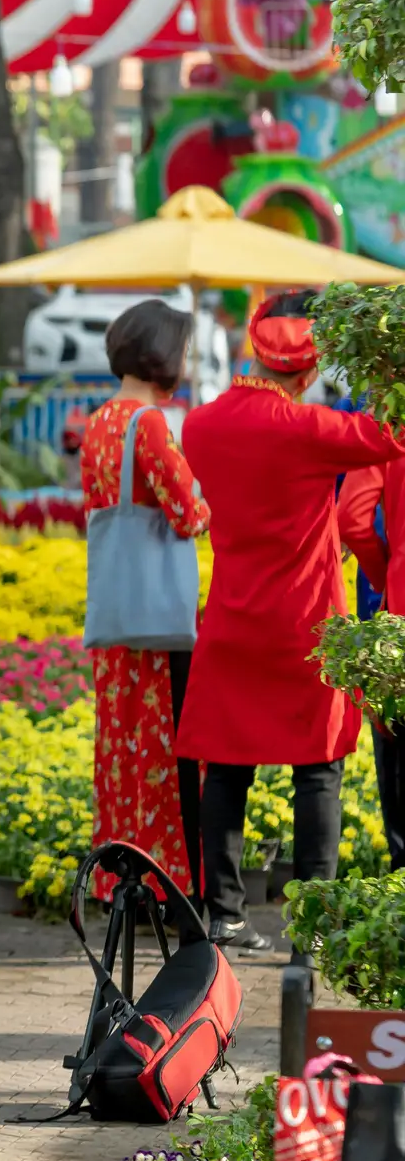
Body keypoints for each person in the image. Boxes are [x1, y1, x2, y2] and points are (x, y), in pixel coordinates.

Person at [178, 291, 405, 951]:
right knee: (318, 769)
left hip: (234, 617)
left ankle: (222, 912)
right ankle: (314, 923)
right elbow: (390, 435)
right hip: (308, 623)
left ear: (252, 347)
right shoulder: (308, 429)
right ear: (308, 371)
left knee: (225, 767)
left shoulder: (201, 425)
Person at [83, 300, 210, 901]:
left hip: (116, 614)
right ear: (165, 353)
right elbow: (188, 512)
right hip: (159, 624)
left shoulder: (101, 420)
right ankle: (169, 883)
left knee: (121, 750)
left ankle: (121, 880)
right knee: (164, 749)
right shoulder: (152, 423)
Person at [336, 400, 405, 869]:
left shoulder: (390, 415)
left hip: (401, 602)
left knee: (396, 738)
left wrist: (384, 577)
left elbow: (353, 516)